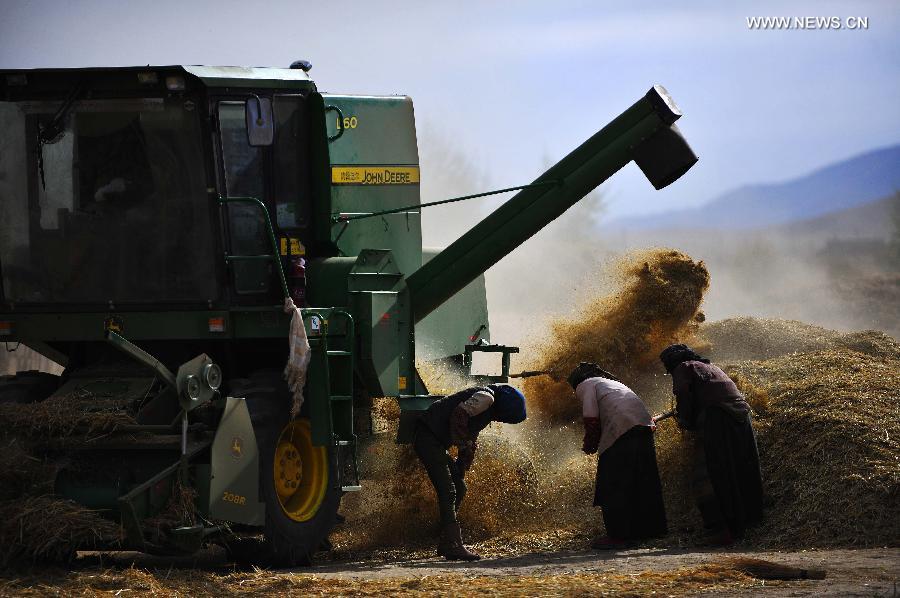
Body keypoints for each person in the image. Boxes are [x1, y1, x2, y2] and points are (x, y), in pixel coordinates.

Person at [659, 344, 763, 544]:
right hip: (741, 417)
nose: (668, 369)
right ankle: (749, 520)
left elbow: (683, 395)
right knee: (742, 465)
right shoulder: (712, 367)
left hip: (718, 417)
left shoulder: (683, 367)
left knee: (716, 472)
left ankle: (724, 530)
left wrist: (685, 421)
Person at [414, 383, 527, 561]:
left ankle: (445, 540)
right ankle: (453, 545)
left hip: (436, 441)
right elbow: (459, 416)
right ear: (505, 409)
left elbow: (469, 433)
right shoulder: (486, 398)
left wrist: (463, 463)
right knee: (449, 491)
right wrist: (464, 444)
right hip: (428, 437)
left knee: (460, 488)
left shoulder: (486, 406)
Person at [568, 362, 667, 550]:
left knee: (612, 484)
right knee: (643, 480)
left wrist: (590, 445)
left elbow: (591, 418)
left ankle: (618, 536)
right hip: (643, 427)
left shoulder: (586, 385)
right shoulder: (614, 384)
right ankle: (650, 531)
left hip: (621, 430)